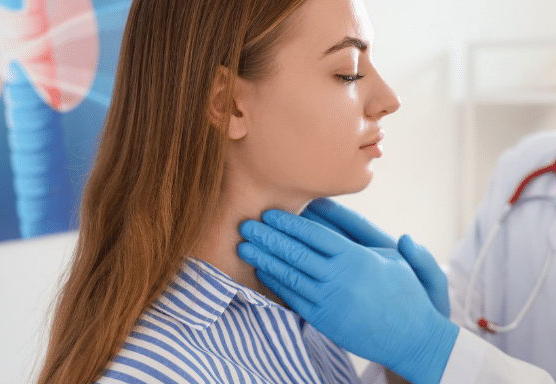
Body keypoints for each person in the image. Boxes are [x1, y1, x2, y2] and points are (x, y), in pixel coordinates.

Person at [237, 0, 556, 383]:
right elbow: (463, 326)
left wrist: (430, 347)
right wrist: (409, 355)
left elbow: (445, 351)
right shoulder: (534, 170)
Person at [36, 0, 401, 382]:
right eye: (349, 72)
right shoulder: (157, 373)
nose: (388, 101)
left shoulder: (302, 316)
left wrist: (403, 369)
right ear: (228, 105)